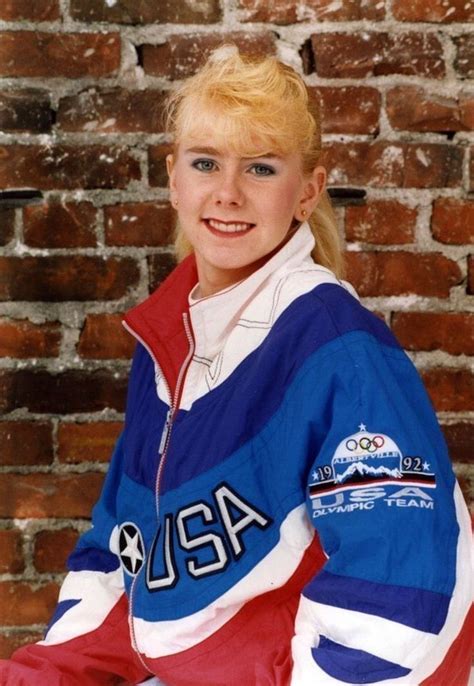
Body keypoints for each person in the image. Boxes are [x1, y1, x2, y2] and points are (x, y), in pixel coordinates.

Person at [1, 45, 472, 686]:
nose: (227, 193)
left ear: (307, 190)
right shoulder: (171, 341)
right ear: (174, 180)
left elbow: (401, 597)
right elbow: (123, 561)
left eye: (260, 167)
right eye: (205, 163)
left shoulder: (339, 349)